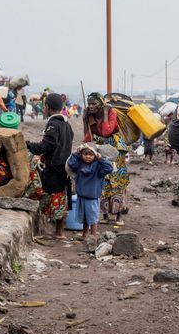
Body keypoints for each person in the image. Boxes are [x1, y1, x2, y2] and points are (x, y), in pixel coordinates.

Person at [26, 93, 74, 239]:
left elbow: (47, 145)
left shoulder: (53, 124)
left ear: (47, 107)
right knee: (61, 198)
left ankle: (57, 232)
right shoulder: (66, 124)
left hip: (54, 167)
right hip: (63, 167)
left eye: (44, 106)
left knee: (50, 194)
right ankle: (58, 230)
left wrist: (28, 145)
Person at [83, 92, 130, 226]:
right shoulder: (89, 116)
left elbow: (106, 132)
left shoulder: (111, 112)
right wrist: (84, 121)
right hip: (100, 148)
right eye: (89, 104)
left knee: (116, 180)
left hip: (115, 149)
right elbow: (87, 138)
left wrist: (104, 115)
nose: (91, 106)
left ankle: (118, 216)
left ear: (101, 104)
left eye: (94, 104)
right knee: (103, 180)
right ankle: (105, 215)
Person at [67, 143, 114, 239]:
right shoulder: (79, 164)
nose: (88, 156)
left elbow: (109, 168)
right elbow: (71, 163)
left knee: (92, 218)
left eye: (91, 154)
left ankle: (93, 236)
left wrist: (100, 159)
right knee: (85, 218)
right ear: (81, 155)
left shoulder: (98, 167)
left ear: (95, 155)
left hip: (92, 197)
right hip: (81, 196)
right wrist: (76, 153)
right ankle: (85, 235)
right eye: (85, 154)